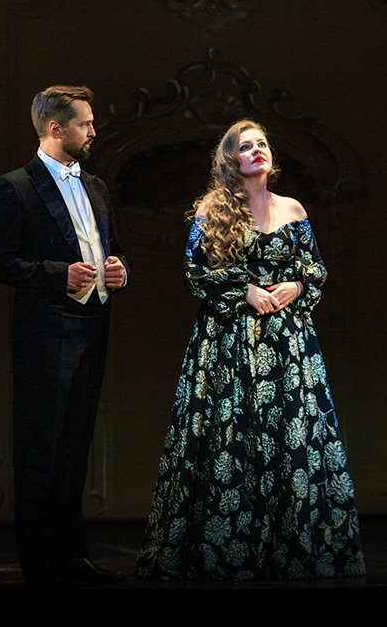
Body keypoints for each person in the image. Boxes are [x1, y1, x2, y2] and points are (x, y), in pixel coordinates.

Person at [134, 119, 366, 582]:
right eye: (246, 146)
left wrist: (297, 286)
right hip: (229, 342)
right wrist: (244, 290)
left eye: (262, 144)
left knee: (291, 438)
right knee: (231, 439)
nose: (257, 150)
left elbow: (316, 270)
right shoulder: (212, 210)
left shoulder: (293, 209)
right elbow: (195, 272)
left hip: (288, 345)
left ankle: (293, 550)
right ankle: (229, 552)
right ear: (230, 159)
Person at [0, 85, 129, 587]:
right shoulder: (16, 187)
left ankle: (72, 556)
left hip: (93, 325)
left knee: (74, 445)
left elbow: (112, 247)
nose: (93, 131)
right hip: (46, 330)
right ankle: (41, 564)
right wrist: (56, 274)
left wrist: (120, 270)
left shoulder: (96, 186)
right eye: (85, 124)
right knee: (41, 446)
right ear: (55, 128)